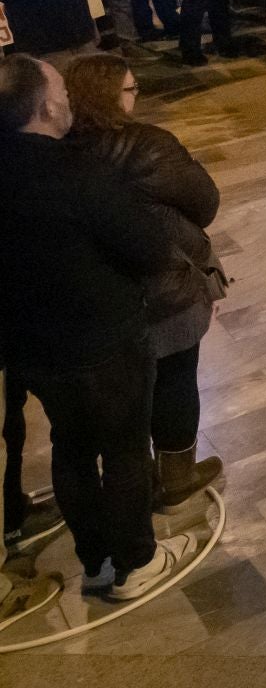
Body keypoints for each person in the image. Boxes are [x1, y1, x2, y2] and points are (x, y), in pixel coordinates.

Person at [0, 56, 193, 602]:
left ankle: (97, 561)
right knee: (127, 447)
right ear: (45, 106)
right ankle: (138, 562)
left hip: (31, 345)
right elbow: (149, 250)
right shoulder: (77, 171)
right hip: (103, 339)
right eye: (60, 88)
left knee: (71, 447)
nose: (66, 98)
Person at [62, 54, 226, 506]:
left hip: (99, 300)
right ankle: (174, 476)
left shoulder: (60, 150)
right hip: (165, 289)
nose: (137, 96)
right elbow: (205, 202)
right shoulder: (149, 145)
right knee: (176, 377)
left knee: (124, 395)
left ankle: (127, 479)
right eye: (132, 89)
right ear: (114, 97)